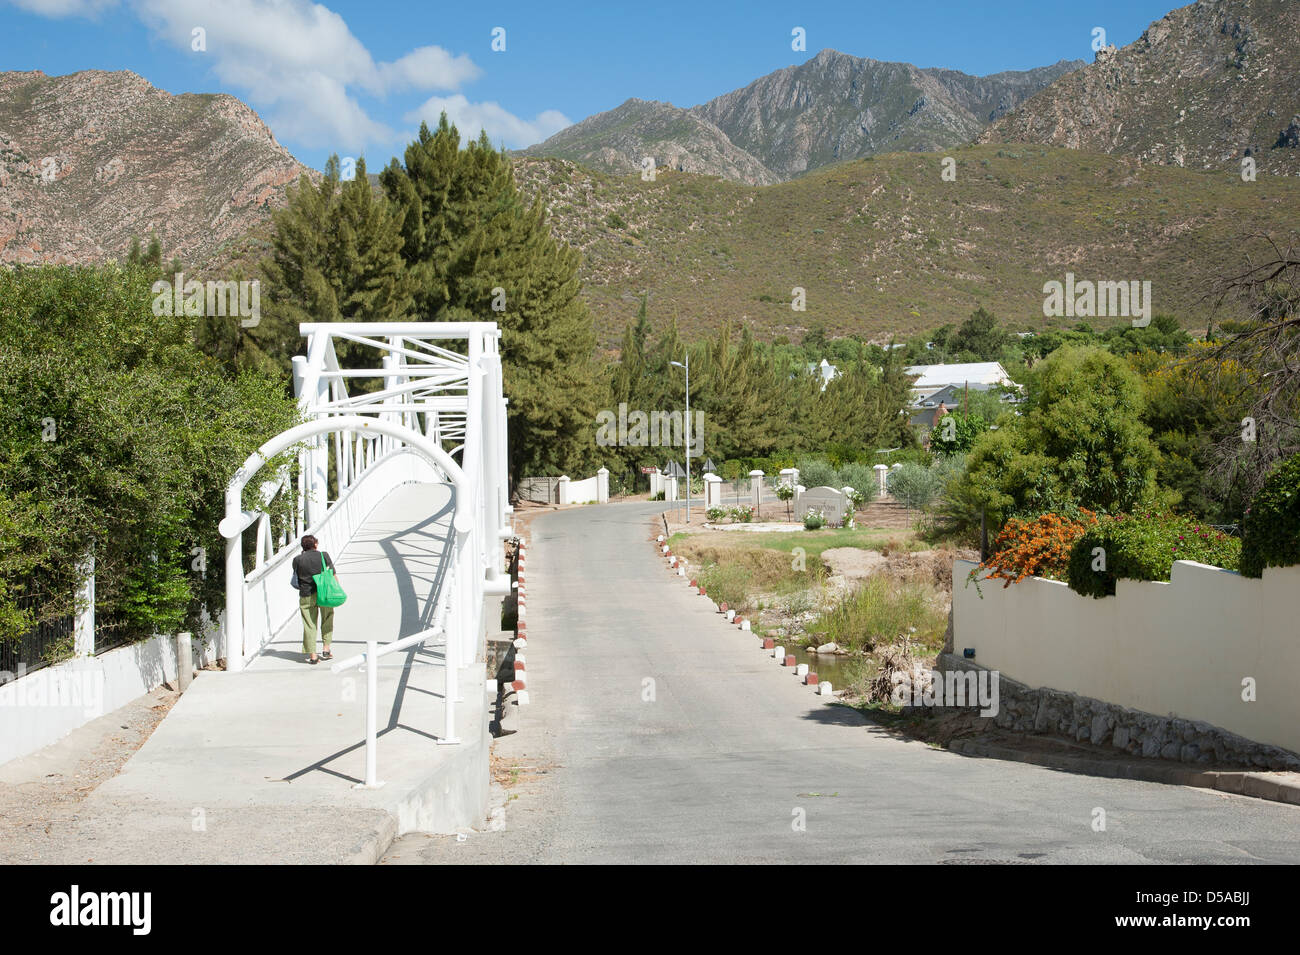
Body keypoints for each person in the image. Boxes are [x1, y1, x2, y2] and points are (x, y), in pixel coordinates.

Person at [292, 534, 338, 665]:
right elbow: (333, 573)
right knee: (327, 617)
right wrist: (337, 589)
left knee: (309, 624)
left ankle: (313, 655)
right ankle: (326, 648)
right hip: (324, 593)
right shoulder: (324, 556)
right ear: (315, 544)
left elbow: (297, 576)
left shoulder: (297, 560)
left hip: (306, 595)